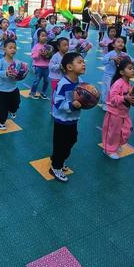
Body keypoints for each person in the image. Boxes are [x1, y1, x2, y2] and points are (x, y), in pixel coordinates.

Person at [49, 52, 85, 182]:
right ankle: (55, 167)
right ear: (69, 67)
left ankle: (58, 158)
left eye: (83, 62)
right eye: (79, 62)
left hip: (73, 119)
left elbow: (83, 97)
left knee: (72, 140)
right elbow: (57, 101)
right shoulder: (63, 83)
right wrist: (71, 105)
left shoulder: (81, 82)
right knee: (60, 144)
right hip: (62, 121)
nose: (83, 64)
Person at [102, 59, 134, 159]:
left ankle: (117, 144)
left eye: (133, 68)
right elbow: (112, 99)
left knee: (127, 130)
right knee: (113, 133)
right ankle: (108, 150)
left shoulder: (129, 84)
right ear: (121, 72)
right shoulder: (118, 83)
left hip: (125, 113)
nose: (133, 70)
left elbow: (129, 98)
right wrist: (124, 97)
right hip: (114, 113)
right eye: (130, 68)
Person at [0, 40, 21, 130]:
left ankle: (12, 110)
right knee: (1, 108)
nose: (13, 50)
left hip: (13, 88)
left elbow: (19, 73)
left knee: (16, 103)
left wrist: (22, 74)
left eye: (14, 48)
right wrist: (6, 73)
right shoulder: (1, 61)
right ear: (4, 49)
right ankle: (0, 121)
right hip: (1, 90)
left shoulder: (17, 62)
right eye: (10, 48)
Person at [100, 37, 133, 110]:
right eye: (118, 42)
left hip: (118, 76)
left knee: (116, 90)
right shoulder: (110, 53)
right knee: (107, 89)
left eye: (122, 42)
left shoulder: (124, 54)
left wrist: (127, 59)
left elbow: (133, 61)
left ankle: (115, 101)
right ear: (113, 45)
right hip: (109, 75)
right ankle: (105, 103)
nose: (121, 43)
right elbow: (103, 61)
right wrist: (112, 58)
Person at [30, 29, 51, 100]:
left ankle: (43, 93)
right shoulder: (36, 46)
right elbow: (33, 56)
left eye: (45, 36)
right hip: (38, 67)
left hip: (46, 67)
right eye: (42, 36)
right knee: (37, 81)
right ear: (38, 37)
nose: (44, 37)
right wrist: (39, 53)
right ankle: (32, 93)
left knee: (46, 81)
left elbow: (50, 57)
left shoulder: (48, 47)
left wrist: (48, 55)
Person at [49, 37, 69, 103]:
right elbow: (51, 66)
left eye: (67, 45)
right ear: (58, 47)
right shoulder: (55, 56)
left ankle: (60, 106)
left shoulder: (68, 56)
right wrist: (59, 66)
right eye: (64, 45)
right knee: (55, 94)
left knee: (63, 94)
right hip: (56, 79)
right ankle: (53, 109)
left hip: (65, 79)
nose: (66, 47)